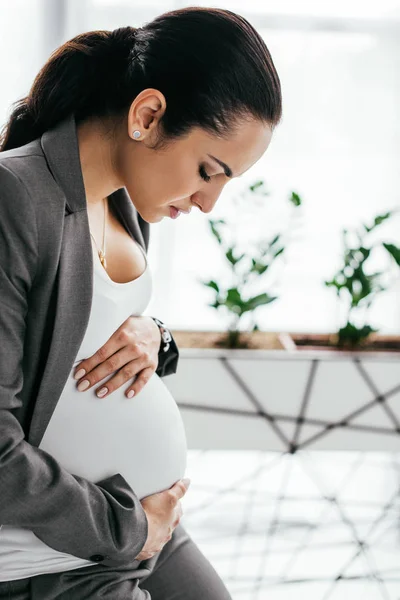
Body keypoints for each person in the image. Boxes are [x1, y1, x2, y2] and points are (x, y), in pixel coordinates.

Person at [0, 5, 281, 599]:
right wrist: (129, 528)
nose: (208, 203)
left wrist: (157, 334)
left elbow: (86, 329)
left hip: (144, 526)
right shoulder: (15, 198)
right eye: (208, 171)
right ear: (148, 114)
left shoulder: (125, 203)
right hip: (58, 549)